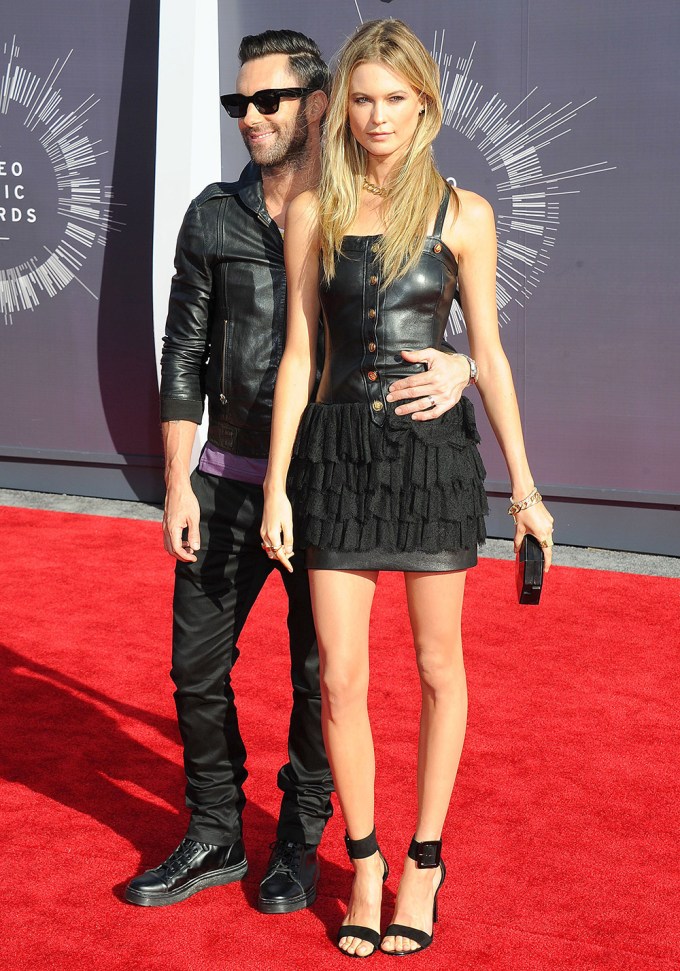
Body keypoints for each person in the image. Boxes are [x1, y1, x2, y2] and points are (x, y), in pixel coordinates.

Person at [125, 28, 472, 915]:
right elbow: (181, 354)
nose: (249, 117)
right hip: (223, 477)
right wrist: (174, 479)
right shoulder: (211, 214)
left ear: (317, 105)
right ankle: (212, 832)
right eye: (237, 104)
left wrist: (462, 365)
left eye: (267, 100)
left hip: (325, 479)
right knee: (195, 669)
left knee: (323, 678)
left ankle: (299, 839)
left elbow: (422, 314)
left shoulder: (367, 205)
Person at [261, 17, 554, 957]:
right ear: (340, 107)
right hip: (337, 460)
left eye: (396, 99)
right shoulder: (311, 209)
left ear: (425, 106)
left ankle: (425, 858)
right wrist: (277, 486)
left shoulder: (464, 214)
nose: (379, 116)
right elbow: (303, 354)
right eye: (363, 98)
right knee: (339, 680)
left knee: (437, 668)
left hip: (432, 461)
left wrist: (526, 489)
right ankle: (368, 858)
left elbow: (494, 356)